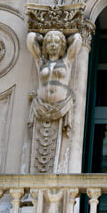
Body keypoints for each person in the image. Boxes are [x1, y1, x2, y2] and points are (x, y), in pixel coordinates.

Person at [27, 30, 82, 172]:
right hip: (41, 106)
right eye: (49, 42)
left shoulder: (66, 61)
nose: (53, 45)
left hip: (60, 106)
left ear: (62, 46)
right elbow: (31, 38)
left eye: (57, 43)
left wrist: (65, 37)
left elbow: (77, 38)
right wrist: (40, 37)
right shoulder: (41, 62)